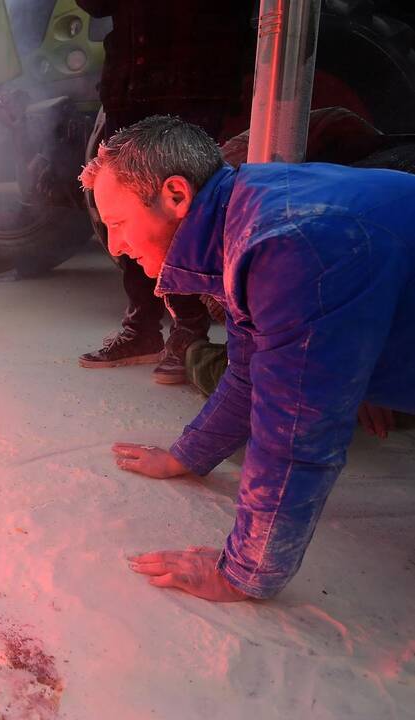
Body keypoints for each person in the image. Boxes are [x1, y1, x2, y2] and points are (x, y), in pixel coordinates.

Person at [80, 115, 415, 601]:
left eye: (118, 224)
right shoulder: (242, 218)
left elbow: (296, 430)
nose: (115, 247)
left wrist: (241, 572)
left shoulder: (288, 243)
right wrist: (188, 456)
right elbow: (249, 370)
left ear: (175, 195)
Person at [74, 0, 256, 384]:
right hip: (133, 85)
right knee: (129, 213)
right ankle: (142, 324)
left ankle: (189, 329)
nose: (115, 246)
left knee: (181, 216)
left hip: (199, 82)